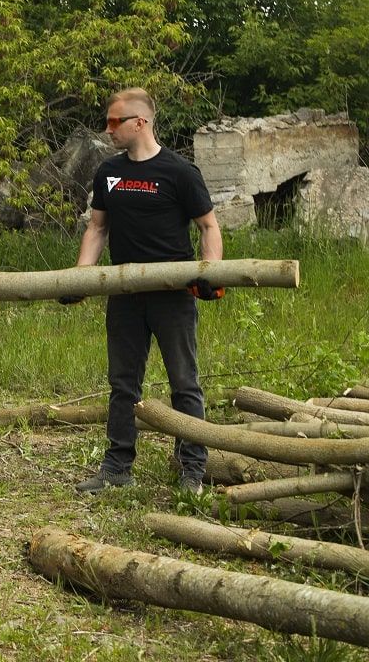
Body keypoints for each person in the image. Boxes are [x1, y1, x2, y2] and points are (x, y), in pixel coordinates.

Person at [65, 87, 224, 495]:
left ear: (140, 122)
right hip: (125, 294)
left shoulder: (180, 172)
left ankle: (192, 469)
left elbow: (209, 226)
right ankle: (117, 467)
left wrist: (211, 272)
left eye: (115, 121)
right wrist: (82, 278)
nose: (108, 129)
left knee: (184, 383)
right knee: (123, 384)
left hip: (172, 294)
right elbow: (97, 228)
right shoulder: (108, 172)